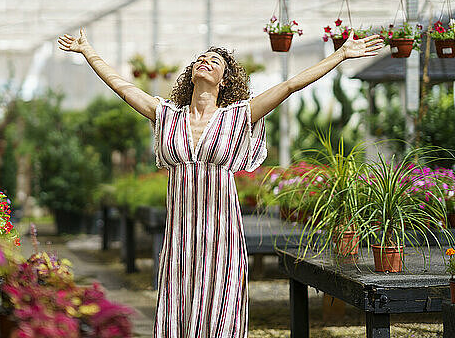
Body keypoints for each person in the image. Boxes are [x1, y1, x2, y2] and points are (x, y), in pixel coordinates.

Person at [58, 28, 383, 338]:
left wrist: (339, 55)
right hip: (180, 237)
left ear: (224, 81)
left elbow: (289, 86)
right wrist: (88, 52)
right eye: (201, 59)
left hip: (222, 236)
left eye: (215, 62)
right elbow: (122, 87)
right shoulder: (168, 115)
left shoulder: (238, 116)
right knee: (177, 308)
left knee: (220, 308)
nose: (205, 62)